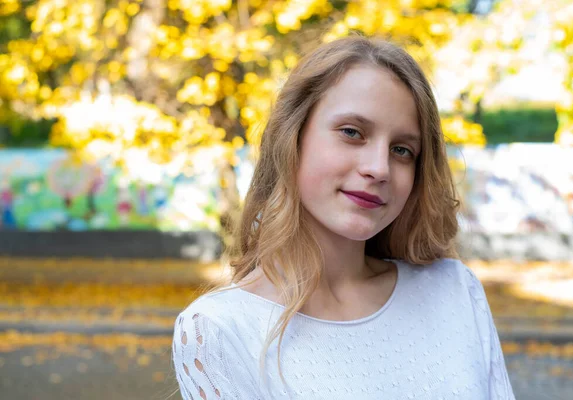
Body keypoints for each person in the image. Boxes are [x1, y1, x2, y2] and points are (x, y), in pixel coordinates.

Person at [172, 35, 515, 400]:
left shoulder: (453, 290)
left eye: (402, 150)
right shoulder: (220, 329)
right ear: (293, 137)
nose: (379, 168)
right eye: (352, 133)